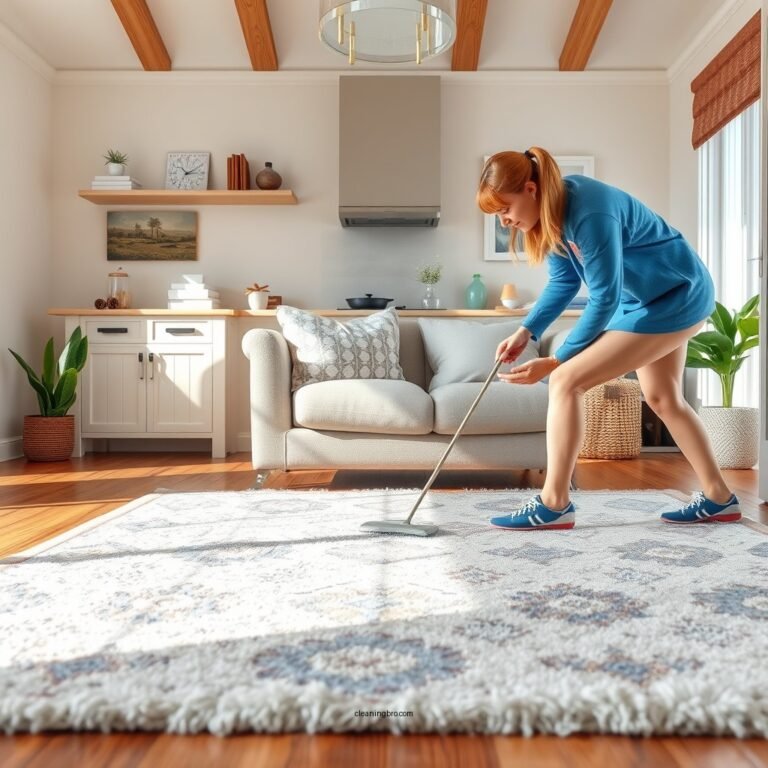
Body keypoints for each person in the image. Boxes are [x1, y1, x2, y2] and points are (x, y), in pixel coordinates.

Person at [476, 147, 740, 531]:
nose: (504, 220)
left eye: (505, 209)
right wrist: (526, 330)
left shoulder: (589, 212)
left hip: (678, 294)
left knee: (565, 380)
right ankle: (720, 498)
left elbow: (604, 298)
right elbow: (564, 282)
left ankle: (554, 503)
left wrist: (558, 359)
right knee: (663, 398)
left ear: (530, 189)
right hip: (645, 299)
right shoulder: (552, 214)